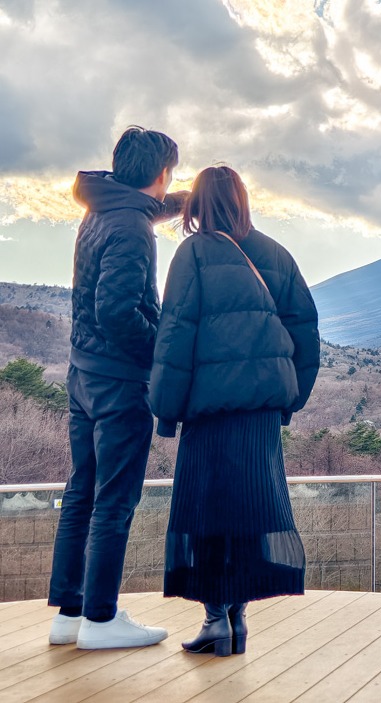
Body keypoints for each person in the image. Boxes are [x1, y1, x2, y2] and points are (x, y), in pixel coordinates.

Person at [151, 165, 320, 656]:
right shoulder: (277, 255)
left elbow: (175, 334)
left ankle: (214, 621)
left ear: (197, 204)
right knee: (249, 510)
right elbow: (306, 334)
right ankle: (238, 619)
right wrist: (289, 399)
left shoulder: (195, 253)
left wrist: (165, 408)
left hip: (208, 413)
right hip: (260, 415)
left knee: (206, 511)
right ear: (243, 200)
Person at [48, 127, 184, 649]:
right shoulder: (132, 227)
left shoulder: (102, 208)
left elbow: (147, 206)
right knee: (113, 501)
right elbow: (118, 310)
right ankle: (101, 620)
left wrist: (187, 201)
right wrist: (161, 355)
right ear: (161, 172)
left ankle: (70, 614)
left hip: (82, 374)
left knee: (82, 490)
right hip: (118, 382)